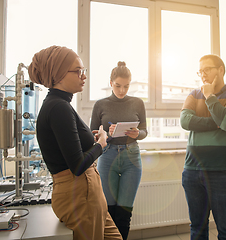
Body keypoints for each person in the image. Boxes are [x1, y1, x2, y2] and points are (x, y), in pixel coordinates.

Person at [28, 45, 122, 240]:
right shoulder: (58, 108)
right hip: (79, 194)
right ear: (59, 74)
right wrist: (101, 145)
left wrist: (96, 140)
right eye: (78, 71)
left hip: (87, 193)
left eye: (83, 71)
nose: (84, 76)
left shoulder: (59, 105)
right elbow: (77, 165)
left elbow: (71, 150)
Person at [180, 54, 226, 240]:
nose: (202, 74)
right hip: (193, 170)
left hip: (224, 170)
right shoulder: (194, 94)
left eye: (207, 69)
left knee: (225, 229)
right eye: (200, 71)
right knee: (197, 228)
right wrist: (217, 122)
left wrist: (210, 96)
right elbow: (185, 121)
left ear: (221, 70)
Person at [90, 61, 147, 240]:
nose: (122, 90)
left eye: (126, 86)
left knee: (124, 212)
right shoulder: (100, 104)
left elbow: (145, 131)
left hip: (132, 157)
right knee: (109, 211)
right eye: (118, 86)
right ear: (110, 83)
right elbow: (92, 136)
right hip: (108, 156)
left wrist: (138, 133)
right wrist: (107, 134)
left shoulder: (138, 103)